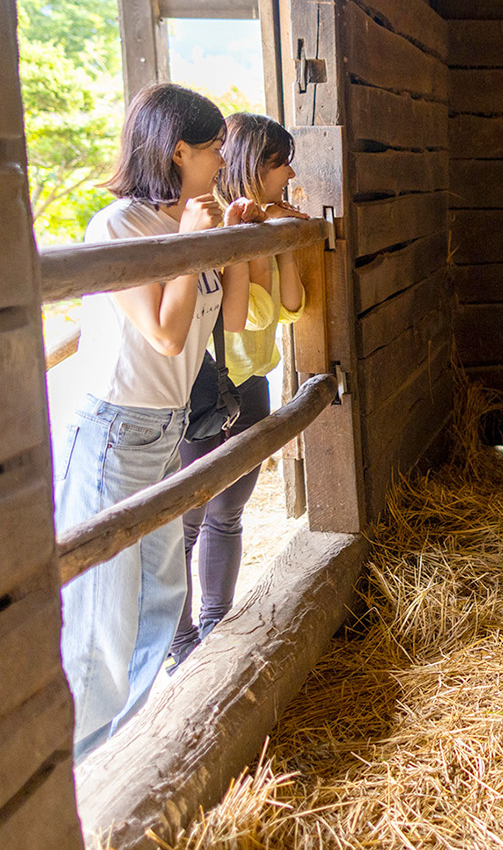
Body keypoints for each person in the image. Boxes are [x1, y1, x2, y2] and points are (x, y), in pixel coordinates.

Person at [56, 83, 256, 758]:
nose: (220, 164)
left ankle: (121, 760)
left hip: (163, 429)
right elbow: (167, 338)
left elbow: (227, 323)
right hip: (115, 431)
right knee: (99, 630)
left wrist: (228, 240)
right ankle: (79, 781)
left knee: (159, 605)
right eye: (212, 151)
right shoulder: (118, 227)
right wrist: (196, 243)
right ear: (178, 151)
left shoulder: (187, 222)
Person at [169, 113, 308, 668]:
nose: (291, 171)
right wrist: (255, 242)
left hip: (253, 385)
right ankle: (180, 646)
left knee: (229, 512)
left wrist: (284, 241)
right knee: (187, 520)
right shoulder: (219, 226)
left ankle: (213, 629)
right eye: (279, 162)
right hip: (208, 389)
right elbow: (247, 319)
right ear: (256, 165)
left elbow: (292, 309)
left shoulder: (261, 223)